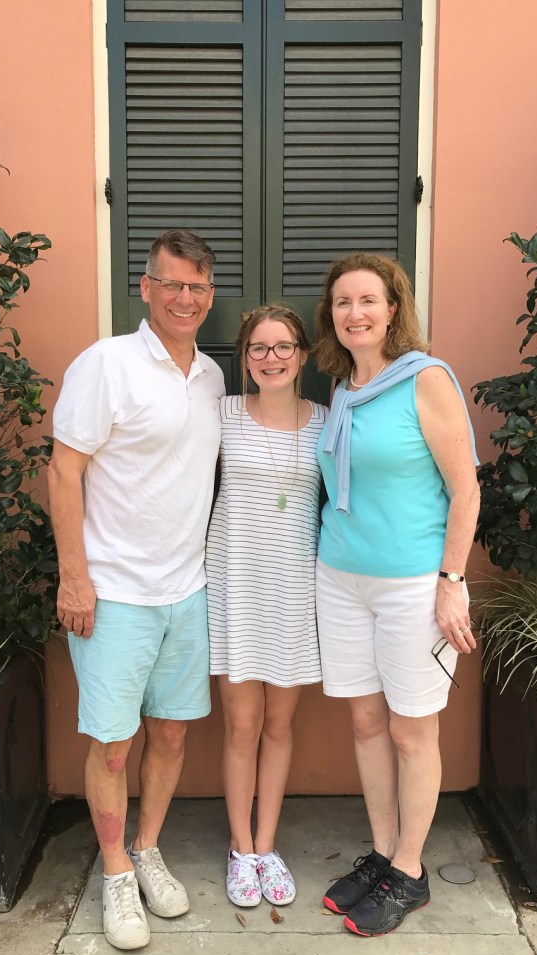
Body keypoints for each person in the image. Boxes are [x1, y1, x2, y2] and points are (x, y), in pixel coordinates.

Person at [48, 229, 225, 951]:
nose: (185, 298)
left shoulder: (211, 376)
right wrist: (74, 578)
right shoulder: (107, 364)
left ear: (210, 296)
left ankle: (147, 847)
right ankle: (115, 870)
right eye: (172, 283)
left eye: (198, 287)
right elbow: (64, 471)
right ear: (145, 287)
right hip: (114, 593)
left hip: (188, 590)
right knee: (114, 744)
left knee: (172, 731)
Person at [314, 252, 480, 937]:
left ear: (392, 309)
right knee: (365, 724)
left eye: (367, 300)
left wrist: (452, 581)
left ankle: (409, 871)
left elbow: (466, 489)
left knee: (412, 729)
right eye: (342, 302)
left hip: (413, 581)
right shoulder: (343, 389)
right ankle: (383, 855)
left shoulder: (425, 378)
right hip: (340, 578)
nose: (354, 312)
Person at [206, 305, 327, 908]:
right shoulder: (221, 413)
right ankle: (241, 849)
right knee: (242, 726)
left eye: (283, 347)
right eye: (258, 347)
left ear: (302, 355)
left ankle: (268, 844)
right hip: (234, 585)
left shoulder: (327, 420)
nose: (271, 358)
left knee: (279, 726)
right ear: (244, 357)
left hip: (294, 588)